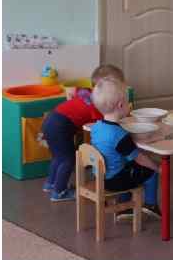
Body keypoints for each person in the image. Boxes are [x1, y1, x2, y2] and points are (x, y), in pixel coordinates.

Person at [41, 64, 125, 201]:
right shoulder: (97, 104)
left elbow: (76, 96)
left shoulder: (86, 92)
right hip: (60, 126)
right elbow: (106, 124)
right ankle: (59, 192)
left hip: (51, 121)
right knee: (68, 159)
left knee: (58, 157)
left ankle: (50, 184)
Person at [89, 78, 161, 219]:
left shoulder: (96, 127)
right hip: (114, 180)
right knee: (151, 171)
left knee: (127, 165)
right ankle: (150, 205)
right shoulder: (119, 134)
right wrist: (157, 167)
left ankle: (125, 206)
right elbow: (139, 158)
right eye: (128, 103)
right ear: (121, 105)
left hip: (100, 176)